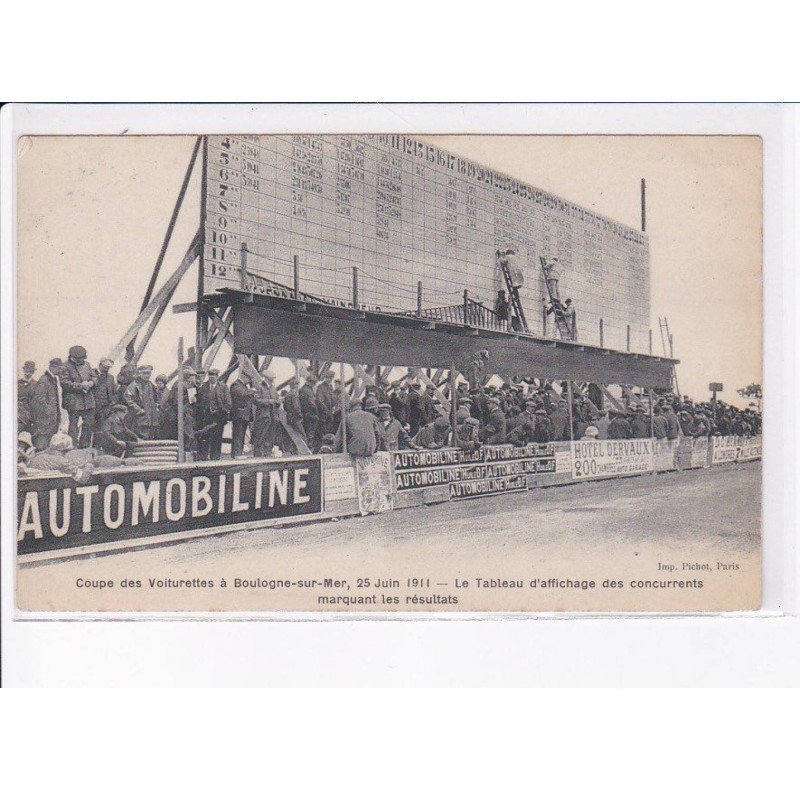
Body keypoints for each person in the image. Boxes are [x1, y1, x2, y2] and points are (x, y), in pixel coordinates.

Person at [61, 345, 96, 448]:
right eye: (79, 359)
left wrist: (91, 383)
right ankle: (73, 446)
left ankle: (84, 445)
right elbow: (64, 383)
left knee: (89, 423)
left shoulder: (87, 364)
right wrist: (80, 386)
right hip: (73, 402)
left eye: (83, 359)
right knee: (73, 425)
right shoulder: (64, 366)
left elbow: (94, 376)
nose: (82, 361)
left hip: (88, 401)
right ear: (72, 357)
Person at [196, 367, 231, 460]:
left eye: (213, 376)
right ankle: (204, 458)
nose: (211, 377)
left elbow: (228, 403)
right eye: (210, 375)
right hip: (206, 417)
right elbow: (199, 401)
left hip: (218, 418)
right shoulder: (204, 387)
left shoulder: (223, 387)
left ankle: (215, 458)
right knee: (205, 437)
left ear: (217, 376)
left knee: (217, 439)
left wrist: (222, 412)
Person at [159, 367, 197, 449]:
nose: (194, 378)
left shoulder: (178, 384)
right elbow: (189, 401)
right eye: (193, 376)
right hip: (184, 412)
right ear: (189, 377)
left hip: (178, 412)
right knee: (187, 433)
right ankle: (186, 452)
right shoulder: (188, 385)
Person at [30, 358, 64, 451]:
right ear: (53, 367)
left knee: (48, 439)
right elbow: (39, 398)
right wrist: (48, 411)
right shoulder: (44, 379)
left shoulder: (52, 378)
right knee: (42, 440)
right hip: (44, 418)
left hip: (50, 417)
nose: (61, 370)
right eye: (59, 368)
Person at [124, 364, 160, 440]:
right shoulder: (134, 384)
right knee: (142, 435)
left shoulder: (151, 384)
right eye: (145, 373)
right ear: (140, 373)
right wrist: (139, 410)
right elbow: (128, 398)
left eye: (148, 373)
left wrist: (156, 407)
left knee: (151, 435)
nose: (147, 375)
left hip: (151, 416)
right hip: (140, 416)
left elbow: (156, 398)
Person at [251, 368, 281, 457]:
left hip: (273, 417)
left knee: (270, 436)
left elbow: (277, 399)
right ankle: (258, 455)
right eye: (271, 379)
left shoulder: (273, 388)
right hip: (263, 417)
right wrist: (269, 401)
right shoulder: (259, 387)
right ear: (266, 378)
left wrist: (278, 402)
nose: (272, 381)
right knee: (260, 436)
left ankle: (267, 453)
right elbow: (256, 400)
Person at [229, 372, 255, 458]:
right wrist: (252, 390)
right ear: (243, 377)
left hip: (243, 415)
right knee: (238, 435)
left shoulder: (242, 386)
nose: (249, 381)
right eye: (248, 379)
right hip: (239, 415)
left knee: (241, 435)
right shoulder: (236, 385)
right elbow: (242, 394)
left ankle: (237, 453)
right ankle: (237, 454)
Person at [299, 371, 321, 452]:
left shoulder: (303, 389)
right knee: (310, 434)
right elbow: (312, 404)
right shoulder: (307, 391)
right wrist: (317, 413)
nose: (314, 384)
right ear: (311, 383)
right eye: (314, 383)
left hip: (306, 415)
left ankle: (308, 448)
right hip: (310, 415)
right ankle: (309, 450)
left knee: (308, 433)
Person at [93, 358, 117, 423]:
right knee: (89, 424)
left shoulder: (110, 377)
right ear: (100, 365)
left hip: (106, 405)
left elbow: (114, 391)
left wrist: (112, 402)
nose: (106, 369)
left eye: (108, 368)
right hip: (93, 404)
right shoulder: (91, 374)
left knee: (102, 424)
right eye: (105, 367)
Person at [316, 369, 337, 436]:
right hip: (323, 413)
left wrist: (333, 406)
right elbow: (320, 401)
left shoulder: (330, 387)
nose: (330, 379)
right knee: (323, 429)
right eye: (328, 378)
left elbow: (332, 398)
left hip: (330, 412)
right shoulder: (321, 387)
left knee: (329, 429)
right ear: (325, 378)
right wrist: (326, 411)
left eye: (331, 378)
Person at [18, 360, 37, 433]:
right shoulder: (17, 384)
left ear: (33, 372)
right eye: (27, 370)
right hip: (19, 415)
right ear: (24, 370)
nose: (28, 373)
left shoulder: (36, 384)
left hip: (30, 416)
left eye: (31, 371)